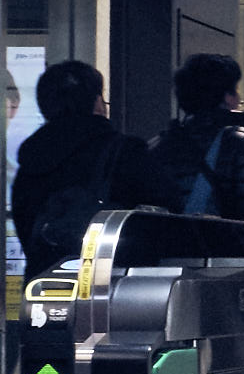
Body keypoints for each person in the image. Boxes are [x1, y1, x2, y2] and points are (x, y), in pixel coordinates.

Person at [12, 60, 175, 279]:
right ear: (98, 102)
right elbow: (166, 214)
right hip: (108, 288)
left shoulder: (29, 164)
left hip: (43, 285)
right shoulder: (124, 152)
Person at [148, 53, 244, 257]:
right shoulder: (238, 142)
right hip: (226, 266)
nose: (239, 99)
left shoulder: (157, 145)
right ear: (226, 96)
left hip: (168, 265)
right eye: (236, 91)